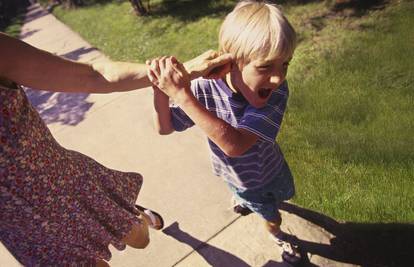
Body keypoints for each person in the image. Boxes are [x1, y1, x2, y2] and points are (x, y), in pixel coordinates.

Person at [0, 32, 232, 266]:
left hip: (68, 187)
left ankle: (136, 214)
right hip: (21, 231)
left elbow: (93, 75)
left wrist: (173, 74)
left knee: (141, 240)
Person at [148, 0, 302, 264]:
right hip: (240, 178)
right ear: (230, 60)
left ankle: (247, 202)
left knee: (281, 196)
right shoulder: (200, 90)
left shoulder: (276, 93)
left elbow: (236, 144)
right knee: (272, 215)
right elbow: (164, 127)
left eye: (285, 64)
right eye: (266, 67)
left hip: (271, 167)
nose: (278, 78)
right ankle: (278, 236)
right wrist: (161, 90)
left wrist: (182, 95)